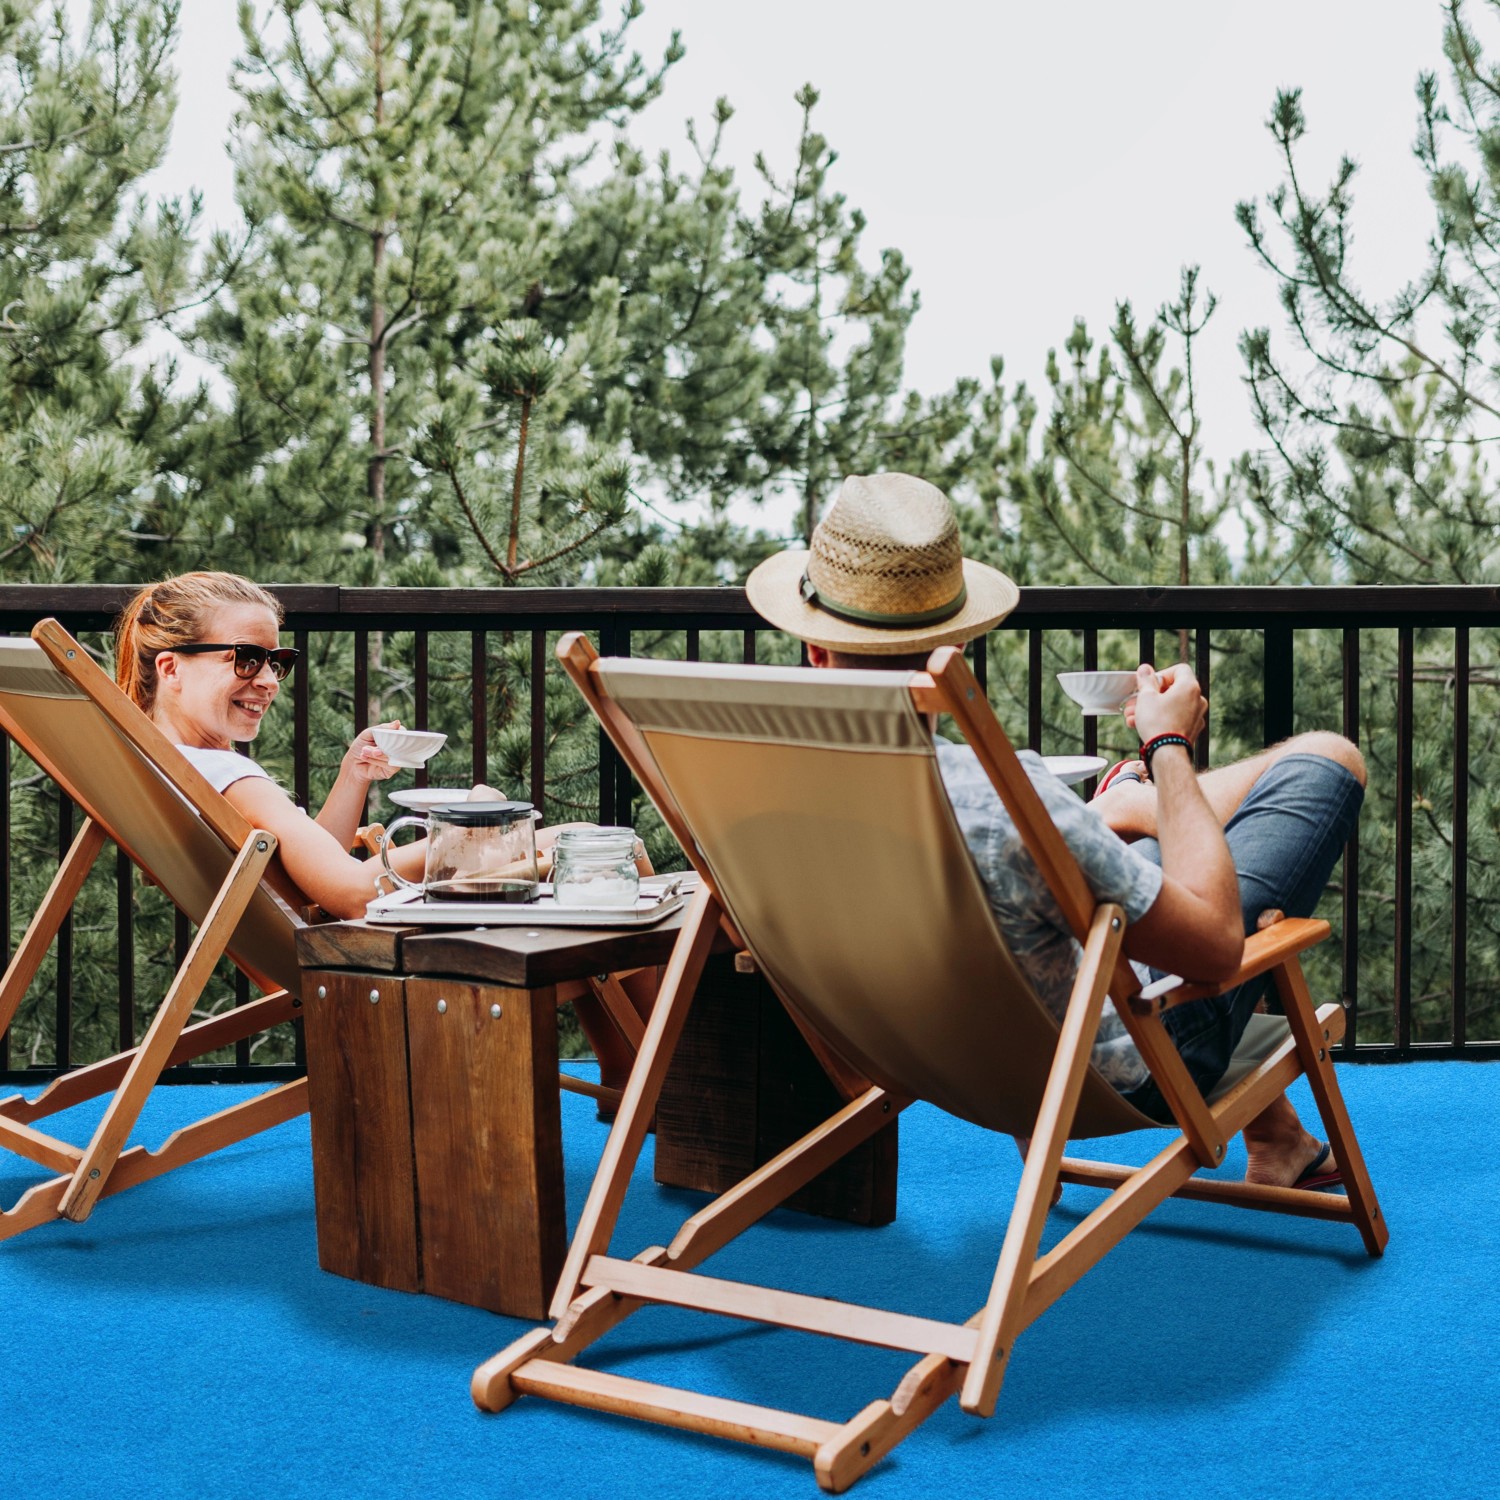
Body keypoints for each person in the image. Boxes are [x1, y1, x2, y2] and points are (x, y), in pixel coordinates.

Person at [745, 472, 1361, 1192]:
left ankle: (1128, 812)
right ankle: (1138, 801)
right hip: (1122, 1061)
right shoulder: (1008, 799)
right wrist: (1167, 746)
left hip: (931, 1056)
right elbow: (1219, 946)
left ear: (817, 652)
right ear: (957, 645)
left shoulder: (766, 796)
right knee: (1330, 760)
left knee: (1123, 852)